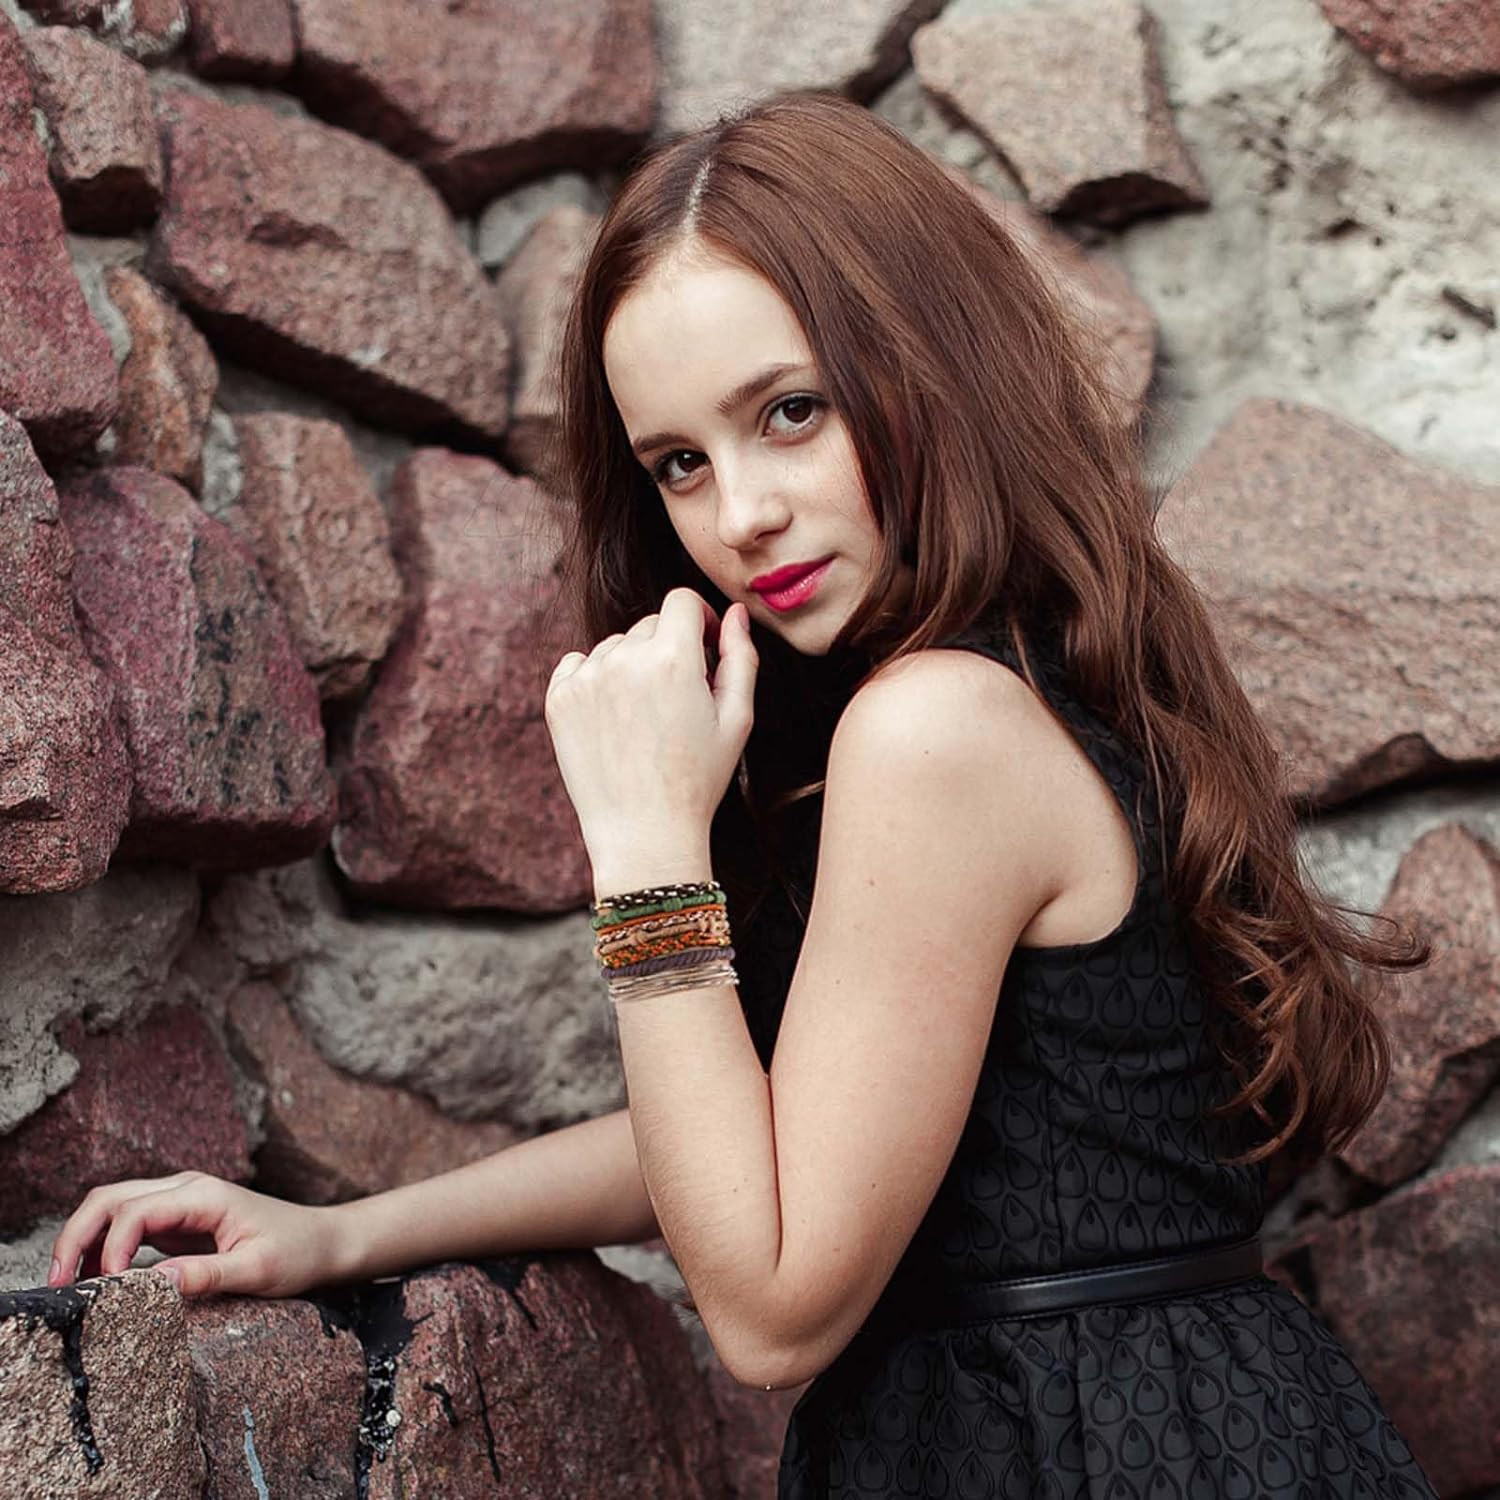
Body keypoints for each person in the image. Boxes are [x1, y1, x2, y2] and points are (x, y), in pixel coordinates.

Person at [46, 91, 1437, 1499]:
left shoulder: (937, 728)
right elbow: (762, 1143)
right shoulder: (1017, 682)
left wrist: (647, 849)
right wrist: (344, 1233)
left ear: (934, 366)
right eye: (680, 464)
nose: (740, 516)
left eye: (791, 412)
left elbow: (772, 1312)